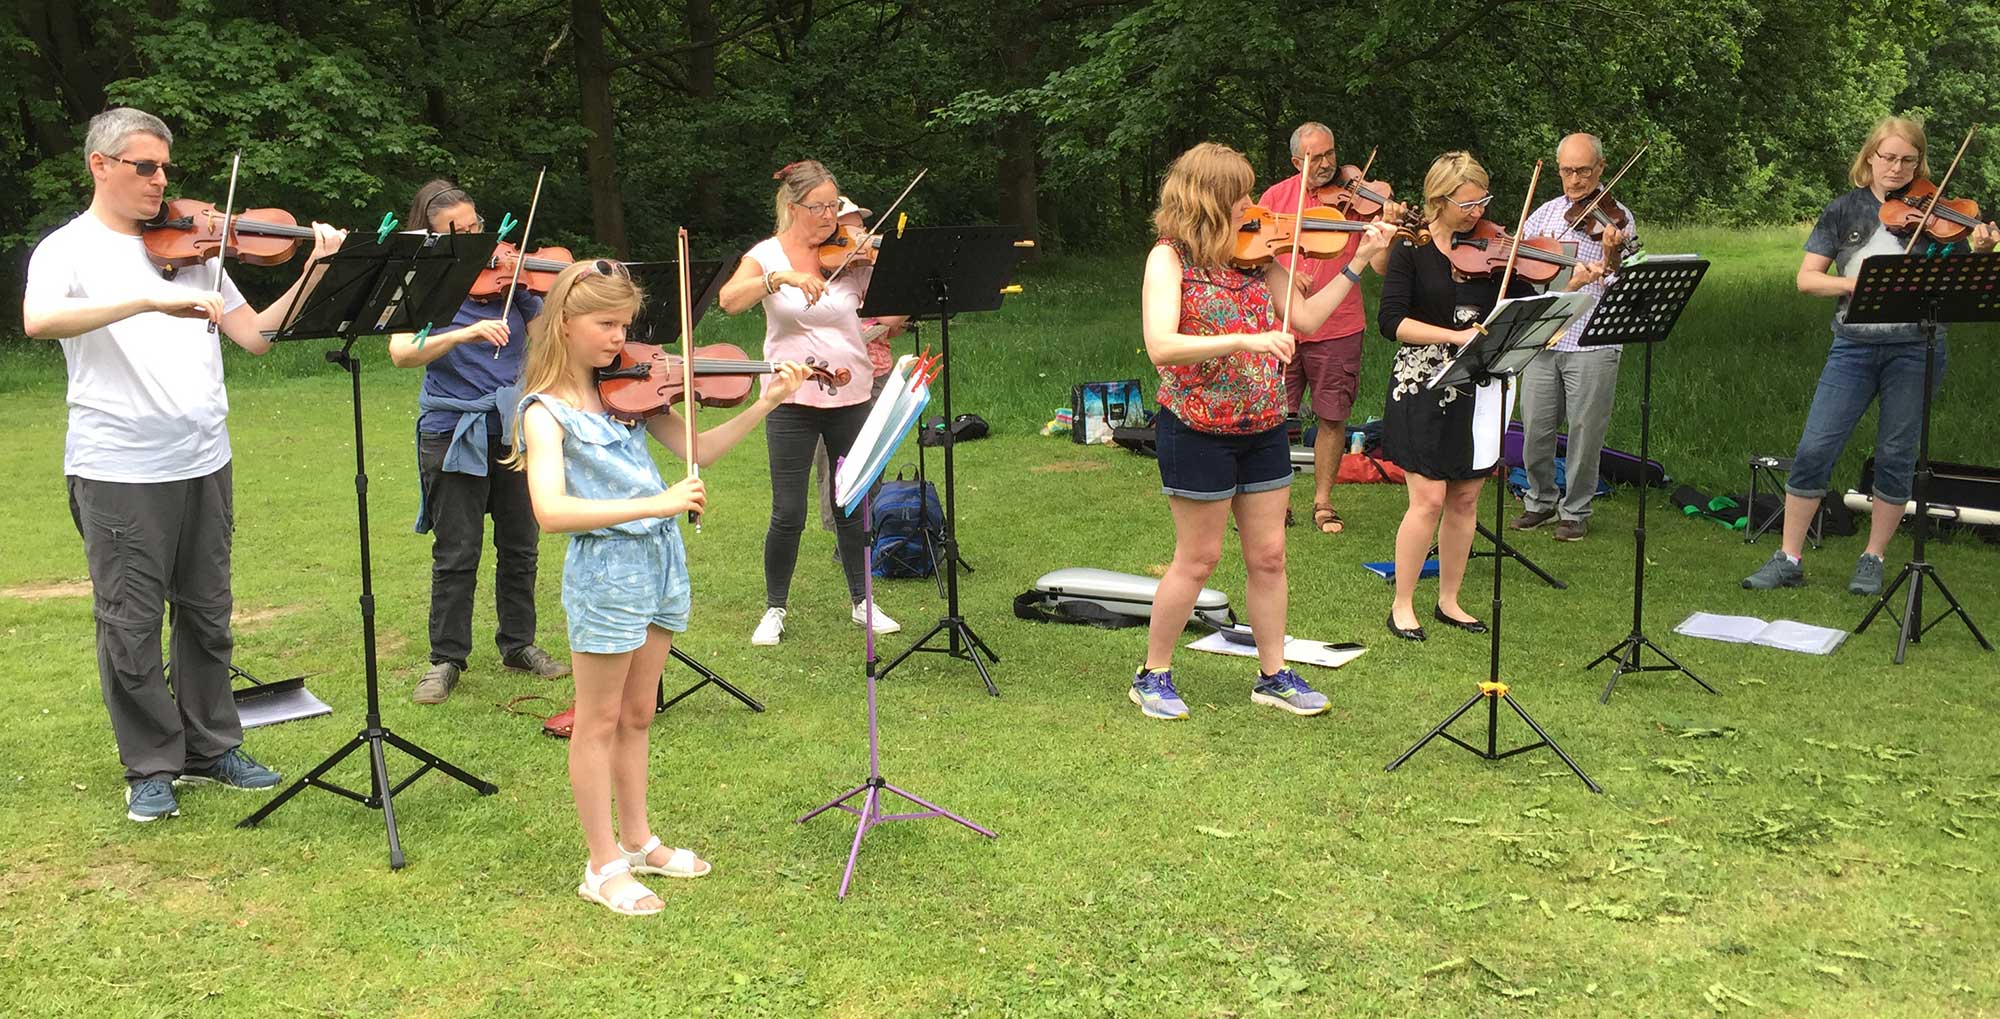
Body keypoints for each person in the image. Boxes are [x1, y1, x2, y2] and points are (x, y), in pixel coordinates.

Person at [21, 107, 346, 822]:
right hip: (119, 466)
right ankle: (150, 764)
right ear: (100, 165)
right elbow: (39, 320)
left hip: (204, 456)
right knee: (130, 623)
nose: (161, 181)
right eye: (146, 166)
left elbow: (256, 336)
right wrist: (145, 297)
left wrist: (317, 268)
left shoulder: (194, 247)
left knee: (207, 613)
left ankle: (210, 745)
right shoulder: (66, 249)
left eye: (165, 167)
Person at [510, 259, 810, 916]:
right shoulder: (546, 412)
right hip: (607, 576)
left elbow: (701, 450)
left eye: (625, 323)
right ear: (564, 323)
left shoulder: (632, 397)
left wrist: (766, 400)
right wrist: (656, 503)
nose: (621, 338)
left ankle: (639, 839)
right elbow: (551, 511)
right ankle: (601, 863)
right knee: (598, 720)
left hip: (660, 566)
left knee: (640, 714)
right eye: (606, 324)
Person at [1132, 141, 1396, 720]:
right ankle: (1153, 674)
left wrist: (1356, 262)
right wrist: (1247, 339)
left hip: (1263, 423)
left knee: (1271, 554)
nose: (1255, 204)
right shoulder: (1168, 259)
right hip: (1197, 424)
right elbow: (1162, 346)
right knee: (1197, 559)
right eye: (1243, 195)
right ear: (1209, 199)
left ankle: (1273, 675)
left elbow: (1305, 319)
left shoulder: (1255, 256)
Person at [1742, 116, 1999, 594]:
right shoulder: (1844, 210)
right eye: (1888, 158)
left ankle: (1873, 558)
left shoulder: (1943, 221)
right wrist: (1852, 284)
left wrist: (1981, 250)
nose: (1897, 168)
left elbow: (1963, 282)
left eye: (1908, 160)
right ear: (1870, 159)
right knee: (1816, 446)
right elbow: (1807, 279)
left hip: (1917, 349)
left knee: (1897, 453)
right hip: (1852, 346)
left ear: (1920, 163)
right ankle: (1788, 556)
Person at [1376, 151, 1604, 642]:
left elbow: (1529, 303)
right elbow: (1391, 322)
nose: (1478, 213)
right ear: (1438, 201)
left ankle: (1450, 601)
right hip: (1425, 383)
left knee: (1466, 497)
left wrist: (1573, 282)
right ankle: (1402, 605)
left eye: (1483, 201)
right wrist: (1456, 337)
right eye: (1467, 204)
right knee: (1429, 497)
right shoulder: (1410, 250)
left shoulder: (1495, 249)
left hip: (1485, 382)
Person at [387, 180, 570, 705]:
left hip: (512, 424)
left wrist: (552, 298)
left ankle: (519, 645)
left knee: (521, 545)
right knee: (457, 551)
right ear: (430, 235)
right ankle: (445, 659)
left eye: (475, 228)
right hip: (451, 427)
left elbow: (545, 342)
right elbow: (402, 351)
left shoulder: (514, 283)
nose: (475, 240)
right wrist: (464, 333)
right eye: (458, 232)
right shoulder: (425, 284)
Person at [717, 161, 902, 646]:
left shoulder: (851, 253)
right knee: (788, 510)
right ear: (793, 207)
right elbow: (730, 299)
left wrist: (886, 268)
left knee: (852, 501)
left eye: (833, 206)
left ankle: (863, 600)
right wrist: (780, 279)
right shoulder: (769, 253)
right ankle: (774, 607)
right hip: (791, 395)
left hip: (851, 391)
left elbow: (895, 312)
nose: (829, 216)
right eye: (818, 207)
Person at [1257, 122, 1408, 534]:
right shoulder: (1275, 197)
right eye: (1315, 157)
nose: (1326, 164)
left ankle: (1323, 502)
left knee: (1332, 415)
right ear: (1295, 161)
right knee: (1273, 416)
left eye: (1330, 154)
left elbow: (1378, 265)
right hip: (1283, 323)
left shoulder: (1358, 202)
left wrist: (1389, 231)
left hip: (1338, 323)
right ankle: (1276, 500)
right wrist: (1286, 273)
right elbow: (1258, 251)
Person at [1513, 133, 1635, 542]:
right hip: (1546, 337)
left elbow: (1626, 285)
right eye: (1568, 170)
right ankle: (1540, 500)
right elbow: (1523, 269)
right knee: (1536, 425)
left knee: (1585, 429)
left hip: (1592, 340)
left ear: (1601, 169)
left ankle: (1576, 510)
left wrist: (1612, 255)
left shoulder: (1618, 220)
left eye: (1584, 170)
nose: (1575, 179)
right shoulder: (1544, 215)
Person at [812, 195, 906, 555]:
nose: (859, 235)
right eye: (850, 226)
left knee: (874, 455)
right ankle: (842, 533)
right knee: (834, 459)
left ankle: (871, 527)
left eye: (861, 226)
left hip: (876, 371)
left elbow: (895, 321)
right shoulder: (815, 272)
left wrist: (893, 269)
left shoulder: (870, 269)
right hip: (832, 376)